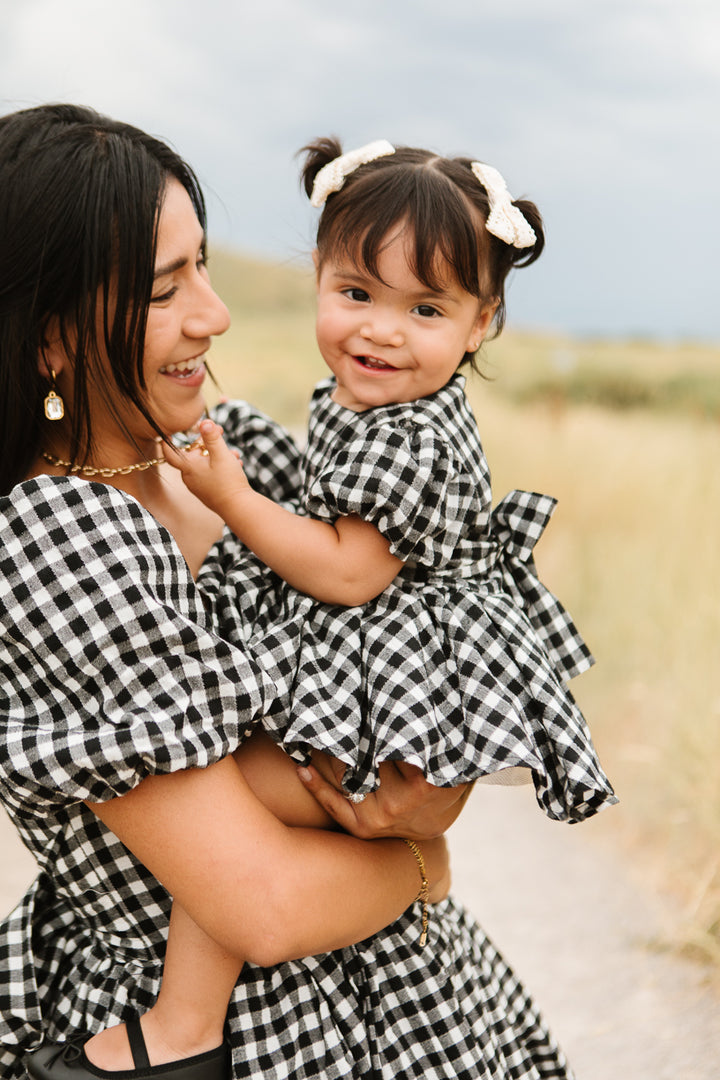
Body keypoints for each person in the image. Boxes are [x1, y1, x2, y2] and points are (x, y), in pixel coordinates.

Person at [0, 105, 575, 1080]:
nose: (212, 316)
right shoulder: (56, 538)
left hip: (408, 1005)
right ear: (49, 342)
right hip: (240, 1043)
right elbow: (265, 908)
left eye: (204, 266)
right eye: (162, 290)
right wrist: (424, 861)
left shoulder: (234, 454)